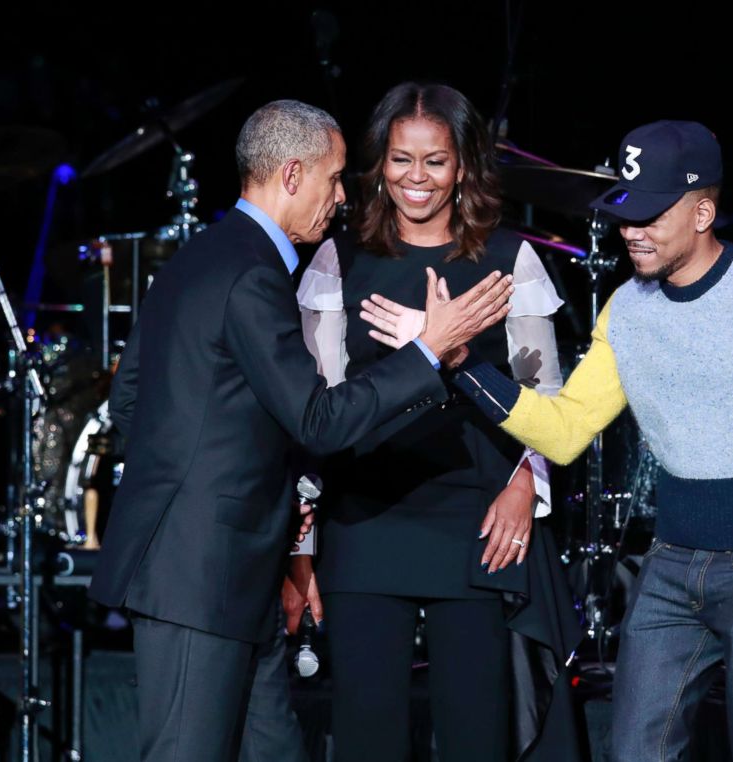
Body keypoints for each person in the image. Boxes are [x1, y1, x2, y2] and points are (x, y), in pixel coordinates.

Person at [365, 120, 733, 761]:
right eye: (625, 214)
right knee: (636, 752)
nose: (630, 231)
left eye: (650, 215)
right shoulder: (627, 308)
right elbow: (562, 432)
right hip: (671, 562)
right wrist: (457, 362)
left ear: (703, 211)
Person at [88, 99, 514, 762]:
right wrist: (428, 350)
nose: (341, 198)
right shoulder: (251, 276)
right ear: (292, 176)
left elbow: (130, 401)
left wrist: (246, 516)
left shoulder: (201, 255)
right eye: (334, 179)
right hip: (198, 578)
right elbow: (318, 421)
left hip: (234, 573)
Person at [294, 82, 581, 762]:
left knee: (476, 732)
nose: (415, 178)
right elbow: (314, 408)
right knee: (367, 734)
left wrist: (523, 485)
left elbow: (548, 399)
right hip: (366, 519)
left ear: (463, 166)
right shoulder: (341, 259)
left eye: (435, 161)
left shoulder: (512, 260)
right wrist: (300, 542)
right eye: (400, 160)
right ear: (377, 164)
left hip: (477, 521)